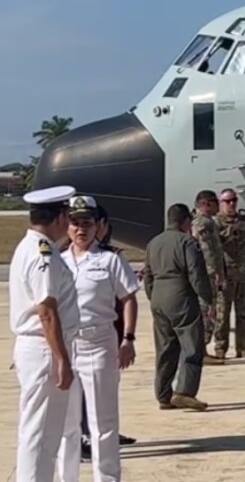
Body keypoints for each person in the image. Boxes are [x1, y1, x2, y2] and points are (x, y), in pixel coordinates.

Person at [56, 195, 140, 482]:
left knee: (102, 422)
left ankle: (106, 478)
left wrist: (127, 338)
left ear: (98, 226)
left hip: (99, 344)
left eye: (87, 223)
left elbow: (129, 299)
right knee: (66, 423)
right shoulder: (57, 261)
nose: (81, 229)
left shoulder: (110, 260)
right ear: (67, 226)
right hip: (68, 345)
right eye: (76, 223)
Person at [11, 185, 80, 482]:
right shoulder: (44, 254)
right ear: (60, 217)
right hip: (44, 348)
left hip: (39, 347)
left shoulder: (30, 246)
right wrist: (61, 358)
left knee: (42, 432)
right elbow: (47, 310)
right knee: (42, 434)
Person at [144, 203, 213, 411]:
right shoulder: (187, 242)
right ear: (185, 221)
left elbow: (147, 276)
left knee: (165, 349)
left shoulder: (153, 243)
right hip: (180, 296)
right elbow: (196, 273)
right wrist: (207, 298)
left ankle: (163, 394)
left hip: (158, 297)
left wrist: (153, 297)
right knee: (192, 346)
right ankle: (185, 391)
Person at [212, 188, 245, 361]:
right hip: (225, 274)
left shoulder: (244, 222)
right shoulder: (215, 224)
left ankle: (242, 347)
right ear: (221, 202)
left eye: (234, 200)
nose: (231, 204)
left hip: (244, 273)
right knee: (222, 314)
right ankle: (220, 348)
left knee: (244, 313)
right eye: (227, 201)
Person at [190, 190, 226, 365]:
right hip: (207, 275)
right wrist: (217, 273)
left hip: (205, 274)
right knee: (208, 312)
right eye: (215, 202)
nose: (218, 206)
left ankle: (202, 349)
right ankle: (201, 351)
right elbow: (209, 252)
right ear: (206, 204)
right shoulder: (204, 223)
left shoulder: (199, 222)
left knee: (207, 311)